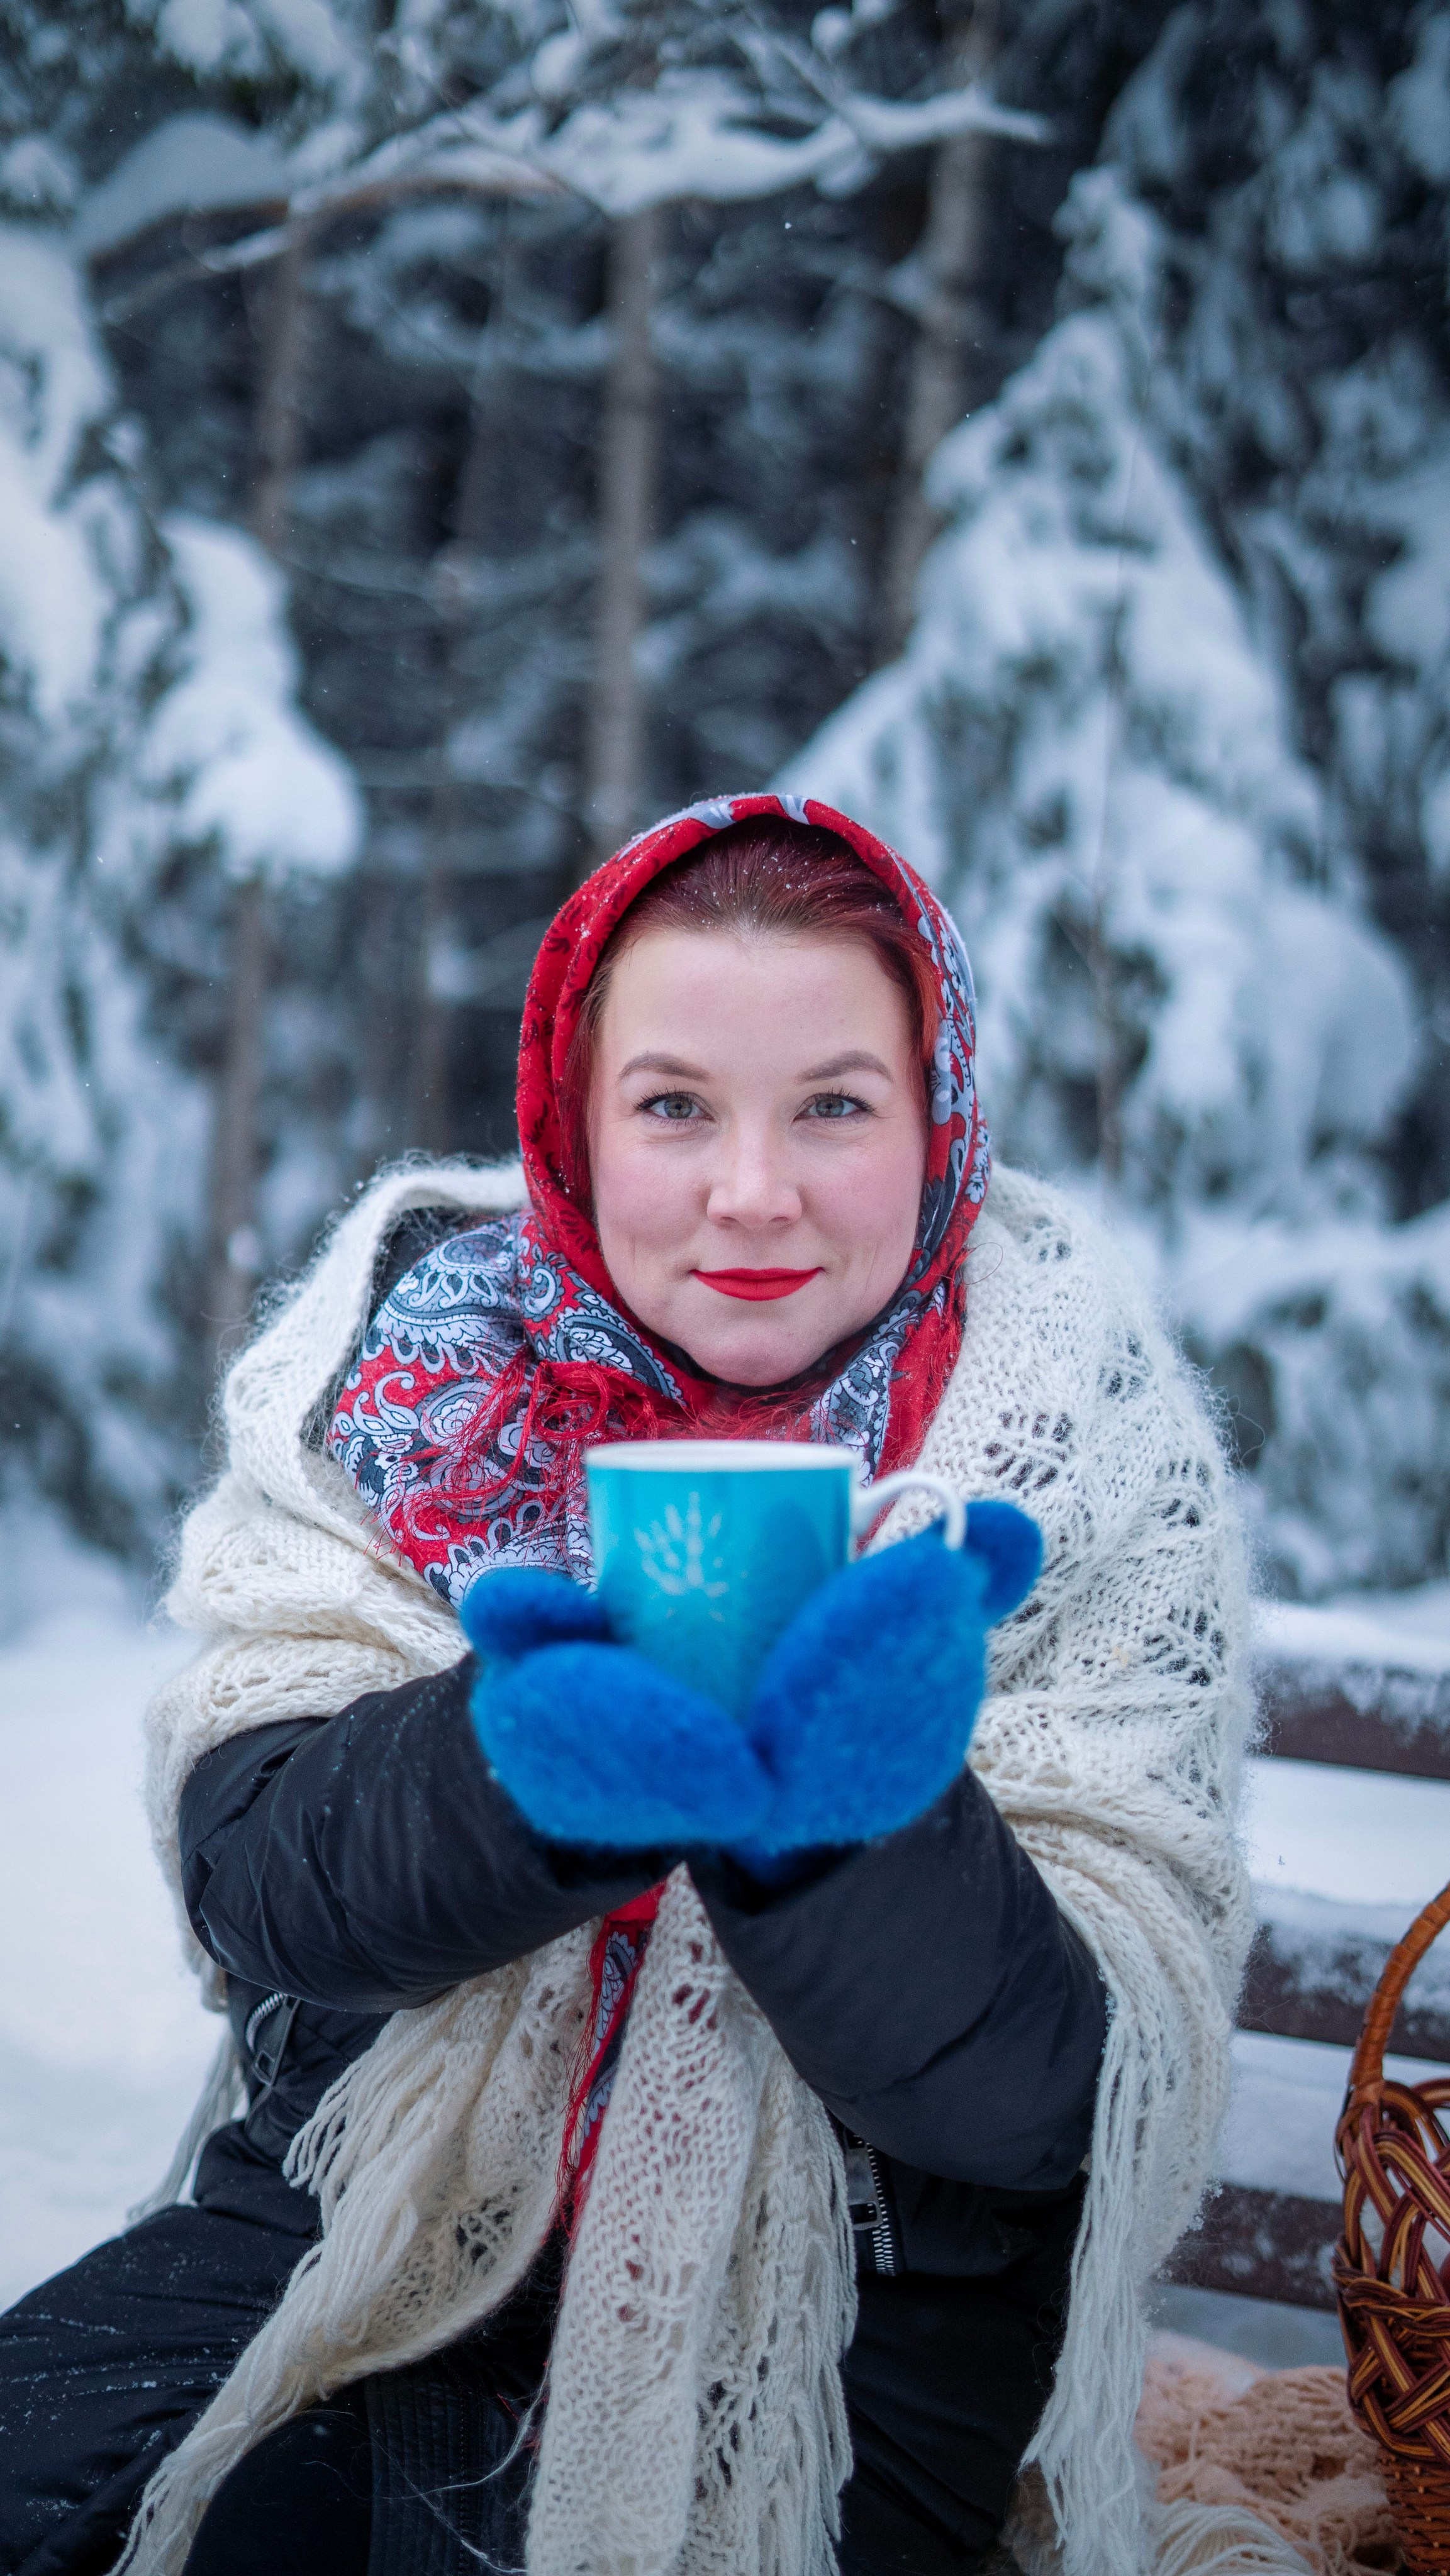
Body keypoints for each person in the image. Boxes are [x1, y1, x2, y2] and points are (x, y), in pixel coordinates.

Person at [0, 796, 1254, 2576]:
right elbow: (262, 1879)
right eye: (674, 1106)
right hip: (351, 2233)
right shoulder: (404, 1381)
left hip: (840, 2338)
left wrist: (842, 1822)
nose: (753, 1191)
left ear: (938, 1124)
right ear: (574, 1126)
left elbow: (1038, 2106)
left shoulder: (1086, 1457)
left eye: (832, 1103)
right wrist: (513, 1774)